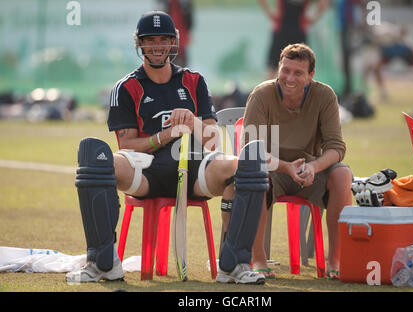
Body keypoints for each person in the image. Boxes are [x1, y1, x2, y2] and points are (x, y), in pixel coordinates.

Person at [66, 11, 269, 285]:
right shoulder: (126, 87)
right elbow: (126, 144)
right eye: (151, 40)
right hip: (146, 171)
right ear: (140, 44)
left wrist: (192, 121)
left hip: (196, 169)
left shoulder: (194, 81)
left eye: (164, 39)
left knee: (248, 163)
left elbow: (212, 141)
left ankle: (234, 263)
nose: (158, 46)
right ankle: (103, 261)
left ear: (174, 42)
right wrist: (165, 136)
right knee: (94, 158)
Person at [242, 43, 353, 279]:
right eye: (285, 70)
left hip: (309, 171)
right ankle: (259, 260)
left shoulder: (325, 95)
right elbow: (251, 151)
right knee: (255, 173)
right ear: (278, 69)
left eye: (298, 73)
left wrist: (313, 166)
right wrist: (285, 167)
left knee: (343, 174)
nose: (289, 78)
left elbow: (336, 147)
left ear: (311, 75)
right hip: (272, 171)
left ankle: (336, 259)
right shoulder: (261, 95)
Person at [363, 22, 413, 100]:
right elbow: (372, 58)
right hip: (388, 52)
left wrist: (394, 39)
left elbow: (402, 31)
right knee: (375, 68)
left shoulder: (382, 30)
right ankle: (382, 93)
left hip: (404, 50)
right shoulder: (369, 40)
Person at [258, 0, 329, 79]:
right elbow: (323, 3)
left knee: (272, 68)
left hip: (283, 29)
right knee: (303, 68)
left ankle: (268, 91)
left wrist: (269, 13)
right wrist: (315, 17)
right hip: (297, 30)